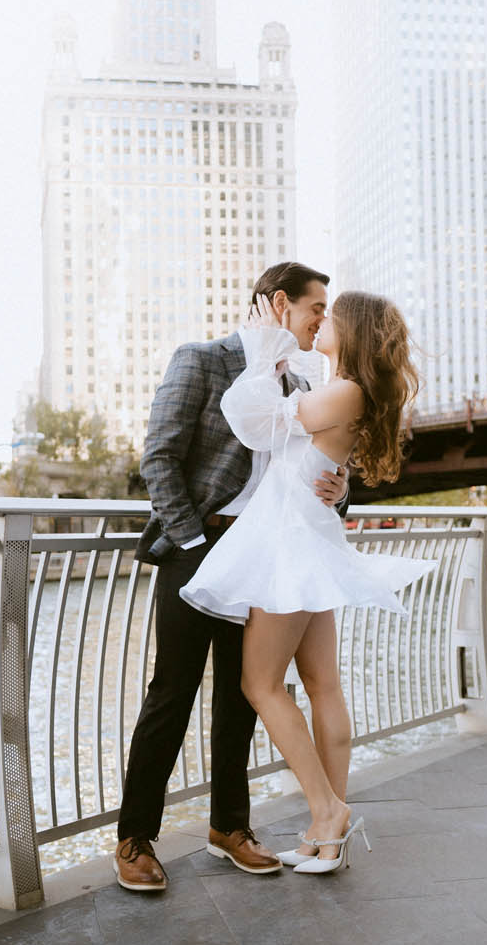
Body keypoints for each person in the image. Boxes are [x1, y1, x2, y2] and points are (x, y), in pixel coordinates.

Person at [115, 262, 349, 892]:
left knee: (245, 693)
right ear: (279, 303)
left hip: (266, 554)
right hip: (200, 544)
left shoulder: (302, 381)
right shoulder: (202, 359)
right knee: (173, 690)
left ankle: (229, 828)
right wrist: (191, 541)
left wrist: (339, 489)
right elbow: (158, 456)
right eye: (316, 307)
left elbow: (321, 470)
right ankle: (135, 838)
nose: (323, 319)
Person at [181, 290, 432, 874]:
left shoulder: (342, 391)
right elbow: (308, 452)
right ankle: (329, 834)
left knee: (260, 683)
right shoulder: (342, 392)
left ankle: (326, 810)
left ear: (354, 331)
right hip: (306, 536)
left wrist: (266, 351)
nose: (322, 321)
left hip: (292, 544)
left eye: (332, 315)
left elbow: (254, 422)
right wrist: (340, 483)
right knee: (322, 684)